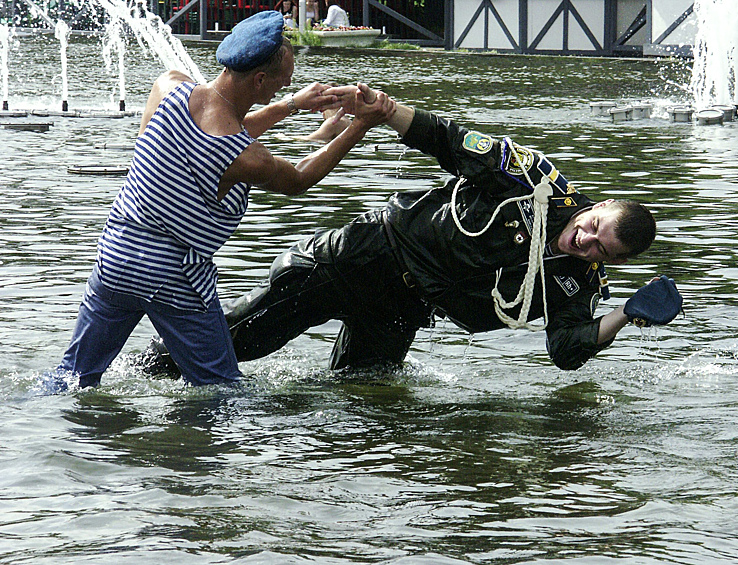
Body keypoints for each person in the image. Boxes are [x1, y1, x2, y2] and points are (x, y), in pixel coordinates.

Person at [141, 87, 683, 376]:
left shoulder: (578, 280)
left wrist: (623, 316)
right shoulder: (531, 179)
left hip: (404, 306)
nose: (584, 241)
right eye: (592, 228)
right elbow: (447, 139)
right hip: (363, 255)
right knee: (239, 343)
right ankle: (130, 382)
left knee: (366, 402)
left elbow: (566, 350)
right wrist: (385, 109)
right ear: (598, 204)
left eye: (599, 251)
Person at [49, 12, 396, 389]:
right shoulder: (248, 157)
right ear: (260, 80)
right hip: (173, 275)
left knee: (73, 377)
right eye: (280, 86)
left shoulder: (169, 87)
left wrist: (290, 105)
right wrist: (361, 125)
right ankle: (190, 446)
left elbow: (216, 127)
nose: (281, 91)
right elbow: (299, 179)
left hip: (117, 255)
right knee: (219, 390)